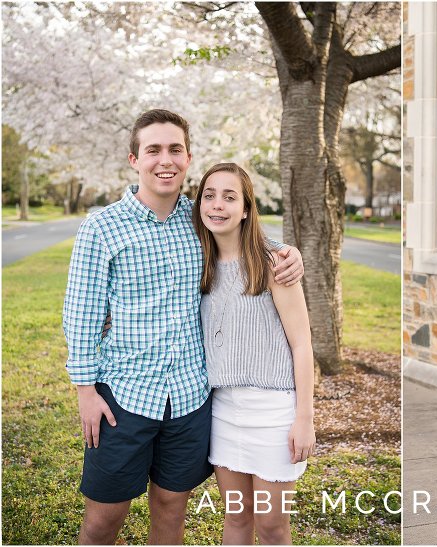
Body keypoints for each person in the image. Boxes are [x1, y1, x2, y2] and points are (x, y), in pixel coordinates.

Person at [62, 109, 304, 544]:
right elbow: (81, 314)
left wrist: (289, 252)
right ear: (134, 159)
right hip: (124, 398)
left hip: (191, 400)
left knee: (172, 511)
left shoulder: (199, 220)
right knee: (104, 519)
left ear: (188, 158)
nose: (165, 159)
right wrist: (85, 391)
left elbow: (244, 235)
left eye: (175, 149)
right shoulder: (102, 227)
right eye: (153, 149)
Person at [192, 162, 315, 545]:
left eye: (230, 197)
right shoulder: (199, 262)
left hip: (274, 414)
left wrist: (305, 418)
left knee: (273, 527)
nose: (217, 205)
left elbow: (302, 344)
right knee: (236, 520)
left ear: (246, 208)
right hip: (223, 412)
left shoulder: (274, 264)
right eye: (209, 196)